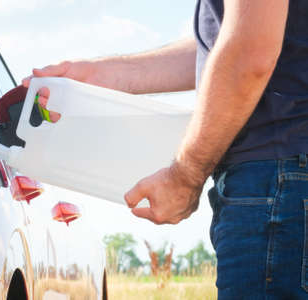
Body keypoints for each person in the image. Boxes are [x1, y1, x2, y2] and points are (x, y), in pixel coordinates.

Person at [23, 0, 308, 298]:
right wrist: (101, 74)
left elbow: (249, 50)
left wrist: (186, 174)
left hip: (277, 182)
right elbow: (230, 40)